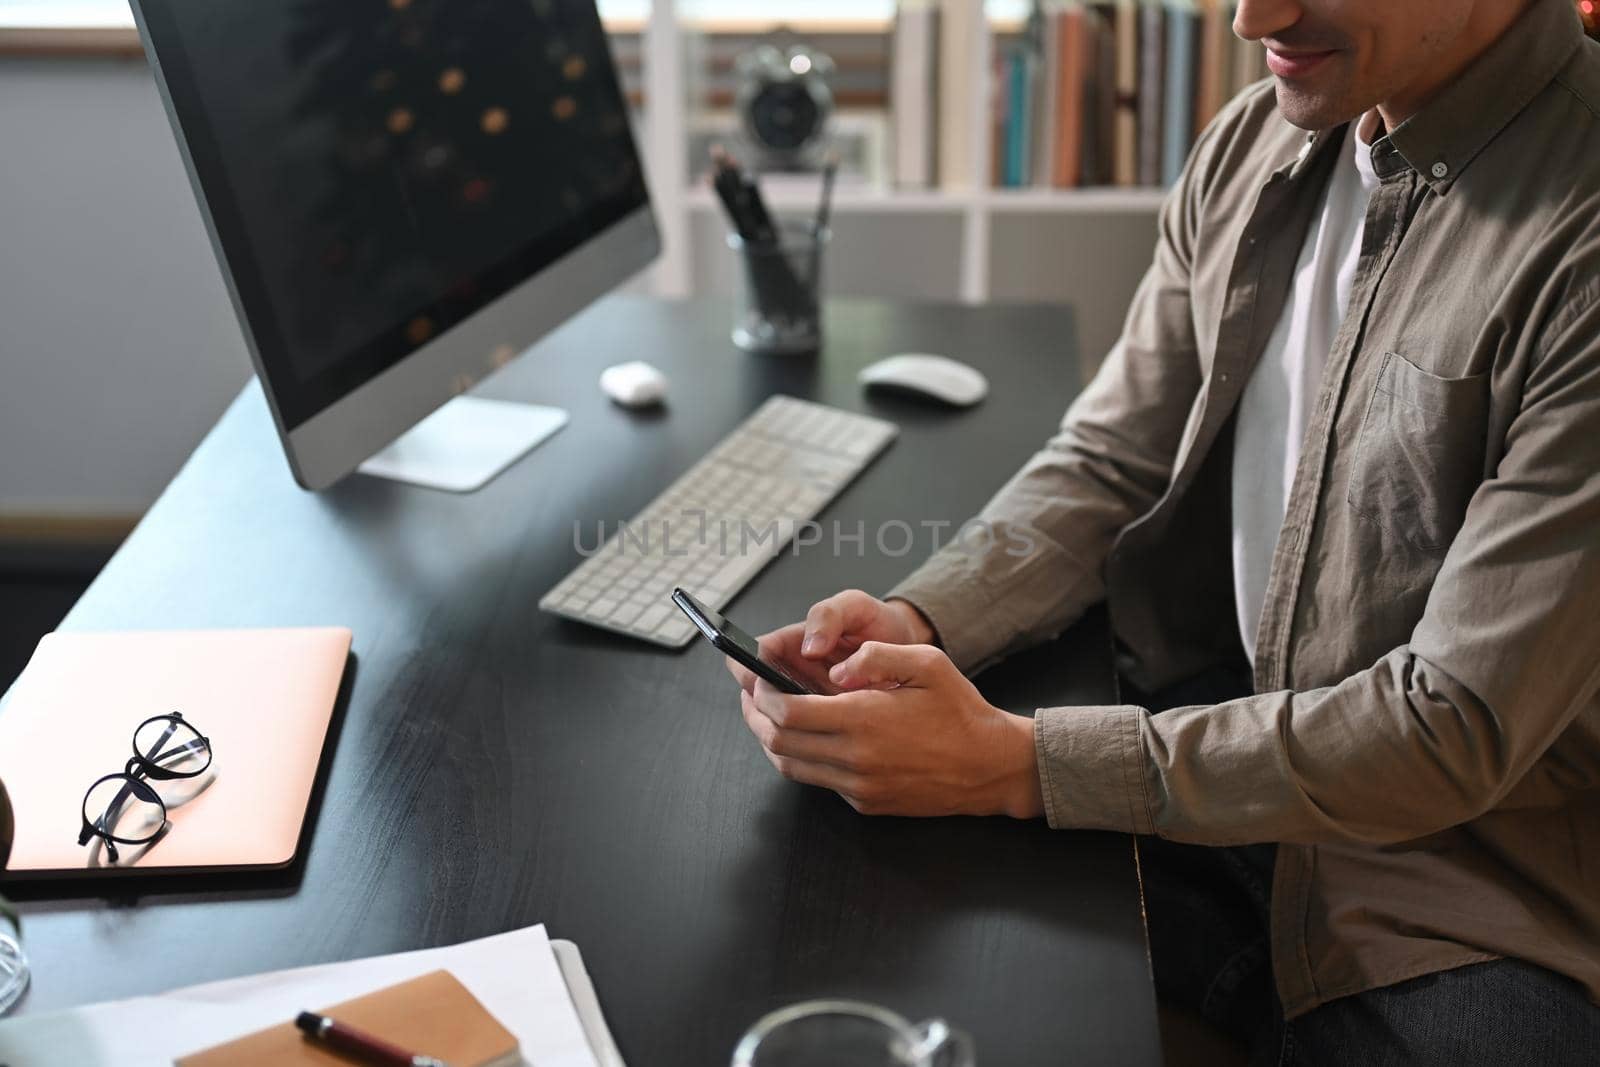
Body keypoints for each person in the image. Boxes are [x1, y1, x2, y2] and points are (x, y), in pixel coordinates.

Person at [724, 0, 1600, 1062]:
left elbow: (1450, 723)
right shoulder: (1252, 143)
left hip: (1461, 886)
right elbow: (1112, 461)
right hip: (1218, 772)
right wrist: (923, 618)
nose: (1250, 19)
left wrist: (1017, 763)